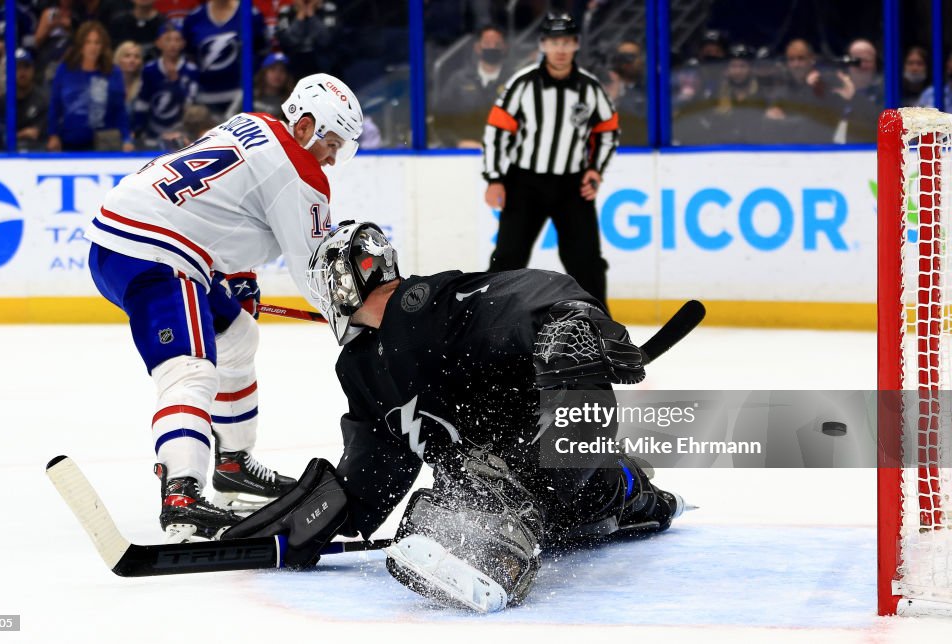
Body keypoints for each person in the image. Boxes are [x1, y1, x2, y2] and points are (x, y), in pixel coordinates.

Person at [221, 221, 688, 612]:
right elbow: (373, 473)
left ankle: (629, 491)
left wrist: (573, 319)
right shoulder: (361, 369)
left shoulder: (433, 303)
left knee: (587, 435)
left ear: (337, 286)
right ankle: (582, 505)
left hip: (562, 469)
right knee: (453, 506)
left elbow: (531, 293)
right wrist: (311, 517)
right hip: (493, 494)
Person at [84, 73, 364, 542]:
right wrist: (359, 318)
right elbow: (316, 269)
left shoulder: (251, 124)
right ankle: (182, 495)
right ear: (305, 126)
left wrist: (238, 277)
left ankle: (233, 466)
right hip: (157, 254)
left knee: (237, 338)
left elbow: (222, 209)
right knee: (189, 371)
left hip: (130, 237)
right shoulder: (299, 170)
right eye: (331, 142)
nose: (333, 157)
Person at [482, 13, 617, 308]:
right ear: (543, 44)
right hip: (524, 183)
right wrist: (494, 178)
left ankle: (601, 328)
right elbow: (496, 131)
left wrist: (595, 170)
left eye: (566, 42)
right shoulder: (522, 84)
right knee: (508, 257)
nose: (560, 49)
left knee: (586, 261)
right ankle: (490, 321)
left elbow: (608, 131)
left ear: (576, 45)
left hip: (572, 186)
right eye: (554, 42)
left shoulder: (590, 88)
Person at [47, 21, 134, 152]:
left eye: (97, 42)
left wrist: (126, 138)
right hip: (69, 140)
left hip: (104, 142)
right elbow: (55, 104)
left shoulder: (112, 72)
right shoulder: (65, 70)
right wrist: (53, 135)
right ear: (81, 45)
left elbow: (119, 109)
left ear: (102, 46)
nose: (93, 47)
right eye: (88, 42)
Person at [182, 0, 269, 119]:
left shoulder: (250, 14)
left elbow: (262, 54)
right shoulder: (194, 18)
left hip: (242, 98)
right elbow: (189, 60)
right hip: (205, 100)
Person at [433, 24, 510, 148]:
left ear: (505, 47)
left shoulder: (515, 80)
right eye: (487, 43)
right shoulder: (458, 80)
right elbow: (441, 121)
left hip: (503, 153)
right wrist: (457, 143)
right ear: (477, 47)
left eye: (497, 43)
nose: (492, 47)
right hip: (464, 154)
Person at [134, 23, 199, 146]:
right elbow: (142, 103)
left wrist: (176, 83)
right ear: (158, 43)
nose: (173, 44)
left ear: (183, 43)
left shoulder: (191, 70)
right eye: (168, 39)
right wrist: (137, 129)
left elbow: (190, 106)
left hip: (181, 136)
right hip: (152, 135)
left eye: (177, 40)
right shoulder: (149, 70)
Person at [0, 48, 49, 151]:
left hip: (36, 154)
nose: (22, 72)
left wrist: (15, 135)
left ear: (33, 70)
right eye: (17, 68)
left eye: (26, 67)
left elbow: (37, 134)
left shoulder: (43, 100)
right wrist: (21, 134)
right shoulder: (1, 103)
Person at [274, 0, 339, 80]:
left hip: (325, 61)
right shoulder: (285, 11)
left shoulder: (328, 9)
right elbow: (288, 40)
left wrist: (311, 15)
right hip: (296, 62)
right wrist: (300, 17)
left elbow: (326, 39)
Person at [253, 52, 293, 118]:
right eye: (272, 69)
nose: (277, 74)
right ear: (264, 73)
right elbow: (230, 117)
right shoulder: (248, 95)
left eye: (282, 70)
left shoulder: (291, 101)